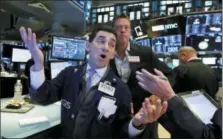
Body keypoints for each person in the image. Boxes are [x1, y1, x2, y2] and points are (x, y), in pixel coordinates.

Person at [19, 25, 168, 138]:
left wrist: (136, 123)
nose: (105, 47)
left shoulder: (121, 89)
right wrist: (38, 64)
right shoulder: (69, 74)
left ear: (113, 54)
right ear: (88, 46)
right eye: (101, 41)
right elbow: (42, 97)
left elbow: (122, 132)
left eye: (111, 44)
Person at [110, 13, 173, 138]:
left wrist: (156, 95)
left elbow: (169, 74)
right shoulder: (107, 53)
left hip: (144, 112)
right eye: (118, 27)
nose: (122, 30)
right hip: (114, 115)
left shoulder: (144, 53)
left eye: (126, 27)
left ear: (130, 30)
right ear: (113, 31)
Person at [136, 68, 222, 139]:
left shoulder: (180, 69)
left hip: (184, 116)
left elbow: (207, 136)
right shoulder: (211, 70)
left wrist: (169, 96)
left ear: (184, 56)